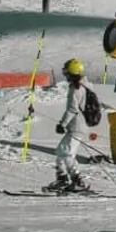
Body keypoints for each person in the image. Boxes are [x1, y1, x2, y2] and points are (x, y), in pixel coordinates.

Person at [46, 58, 92, 193]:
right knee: (61, 152)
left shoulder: (76, 88)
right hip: (79, 126)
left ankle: (78, 182)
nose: (65, 75)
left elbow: (72, 109)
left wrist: (62, 124)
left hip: (77, 126)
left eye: (67, 73)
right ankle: (62, 179)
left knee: (66, 153)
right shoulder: (86, 85)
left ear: (73, 73)